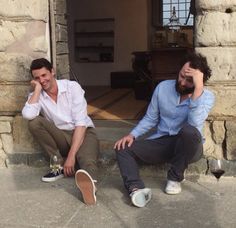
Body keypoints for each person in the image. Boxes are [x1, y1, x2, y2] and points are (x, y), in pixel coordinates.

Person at [114, 52, 215, 208]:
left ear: (198, 81)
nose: (182, 82)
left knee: (188, 131)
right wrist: (132, 135)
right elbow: (150, 118)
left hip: (188, 147)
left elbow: (194, 123)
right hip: (163, 143)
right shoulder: (163, 88)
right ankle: (136, 189)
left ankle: (175, 178)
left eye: (189, 80)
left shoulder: (207, 96)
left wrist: (198, 90)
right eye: (181, 76)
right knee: (123, 148)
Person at [22, 58, 99, 205]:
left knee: (86, 159)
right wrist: (37, 89)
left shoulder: (72, 87)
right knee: (34, 122)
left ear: (52, 71)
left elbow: (81, 124)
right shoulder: (37, 95)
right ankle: (58, 166)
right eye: (37, 78)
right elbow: (28, 115)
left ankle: (91, 186)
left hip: (84, 132)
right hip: (61, 135)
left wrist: (71, 156)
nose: (42, 80)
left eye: (44, 75)